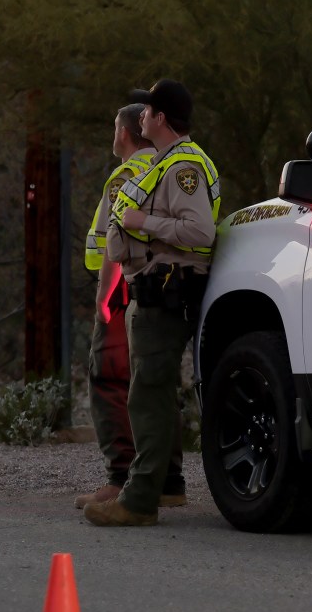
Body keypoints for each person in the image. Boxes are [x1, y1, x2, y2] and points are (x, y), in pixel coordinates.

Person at [83, 79, 220, 527]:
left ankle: (139, 500)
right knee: (152, 393)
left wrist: (145, 221)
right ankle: (156, 488)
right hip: (153, 291)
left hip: (167, 292)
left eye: (148, 111)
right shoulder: (161, 164)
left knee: (147, 396)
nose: (140, 116)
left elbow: (200, 232)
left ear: (161, 118)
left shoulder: (184, 167)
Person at [75, 103, 188, 511]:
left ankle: (121, 476)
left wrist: (104, 300)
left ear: (125, 133)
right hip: (160, 283)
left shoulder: (126, 175)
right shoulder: (164, 166)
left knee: (110, 378)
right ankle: (169, 481)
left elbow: (113, 243)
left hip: (125, 287)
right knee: (155, 384)